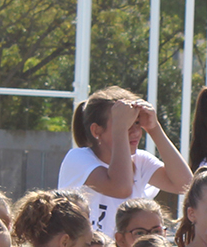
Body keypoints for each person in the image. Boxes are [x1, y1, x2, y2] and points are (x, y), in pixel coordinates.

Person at [58, 87, 192, 237]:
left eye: (136, 123)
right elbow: (121, 189)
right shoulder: (78, 158)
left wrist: (154, 128)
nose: (134, 132)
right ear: (96, 131)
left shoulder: (140, 160)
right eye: (124, 124)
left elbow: (185, 185)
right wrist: (120, 129)